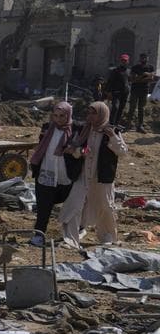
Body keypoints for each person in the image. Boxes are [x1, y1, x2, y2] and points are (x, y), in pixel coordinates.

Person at [60, 101, 127, 250]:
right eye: (88, 113)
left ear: (102, 114)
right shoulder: (84, 130)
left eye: (93, 113)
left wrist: (112, 138)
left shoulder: (112, 131)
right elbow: (75, 150)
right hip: (83, 175)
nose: (89, 116)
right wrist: (80, 152)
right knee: (74, 205)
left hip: (102, 177)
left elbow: (122, 152)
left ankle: (107, 237)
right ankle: (70, 239)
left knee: (105, 206)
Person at [29, 102, 77, 247]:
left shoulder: (75, 130)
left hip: (66, 175)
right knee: (43, 207)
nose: (58, 119)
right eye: (55, 116)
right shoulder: (47, 128)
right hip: (46, 172)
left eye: (62, 116)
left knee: (71, 207)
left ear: (68, 115)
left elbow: (81, 149)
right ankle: (39, 234)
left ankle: (71, 235)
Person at [129, 53, 156, 132]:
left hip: (144, 90)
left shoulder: (150, 67)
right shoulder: (135, 67)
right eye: (142, 58)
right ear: (140, 59)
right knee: (132, 107)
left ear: (147, 59)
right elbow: (132, 80)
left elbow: (151, 79)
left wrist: (139, 78)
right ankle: (129, 124)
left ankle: (140, 126)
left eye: (145, 58)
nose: (144, 59)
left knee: (141, 108)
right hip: (135, 90)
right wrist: (144, 75)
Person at [107, 55, 130, 126]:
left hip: (125, 92)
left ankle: (116, 124)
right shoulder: (115, 70)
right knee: (115, 107)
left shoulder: (129, 71)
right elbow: (110, 81)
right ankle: (111, 123)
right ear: (120, 61)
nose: (124, 62)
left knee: (121, 108)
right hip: (116, 92)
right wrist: (109, 92)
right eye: (122, 60)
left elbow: (129, 81)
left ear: (128, 61)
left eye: (125, 61)